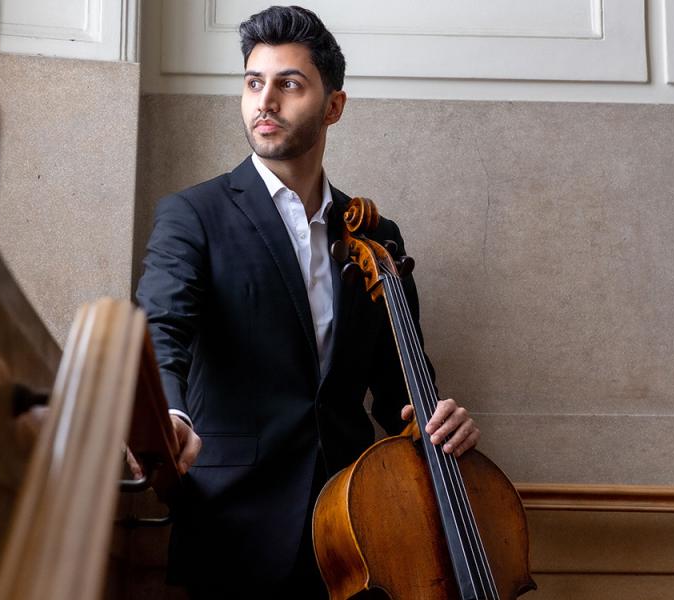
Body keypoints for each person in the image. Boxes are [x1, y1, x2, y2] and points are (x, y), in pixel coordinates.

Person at [135, 6, 480, 598]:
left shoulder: (379, 238)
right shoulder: (193, 216)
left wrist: (438, 418)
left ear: (333, 106)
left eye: (288, 84)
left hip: (355, 526)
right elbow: (160, 329)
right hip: (233, 523)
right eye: (253, 83)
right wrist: (170, 416)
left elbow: (402, 387)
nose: (264, 101)